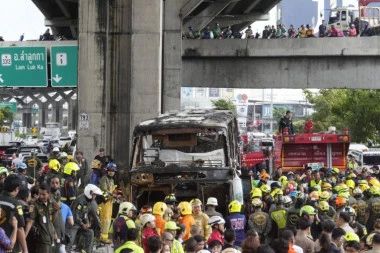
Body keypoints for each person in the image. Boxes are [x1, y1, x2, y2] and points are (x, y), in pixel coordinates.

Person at [67, 184, 102, 253]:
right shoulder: (80, 201)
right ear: (90, 193)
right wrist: (82, 224)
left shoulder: (88, 201)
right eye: (94, 194)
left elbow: (84, 214)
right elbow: (75, 215)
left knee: (90, 233)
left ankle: (87, 251)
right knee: (70, 241)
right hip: (73, 224)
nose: (95, 196)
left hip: (80, 224)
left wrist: (86, 223)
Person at [25, 183, 59, 252]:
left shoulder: (51, 203)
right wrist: (24, 237)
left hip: (50, 238)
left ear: (49, 194)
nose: (41, 196)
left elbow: (51, 220)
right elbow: (30, 222)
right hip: (41, 239)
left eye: (44, 194)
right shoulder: (34, 205)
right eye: (40, 194)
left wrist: (56, 211)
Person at [0, 174, 28, 253]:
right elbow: (20, 229)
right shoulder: (16, 204)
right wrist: (25, 249)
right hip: (11, 246)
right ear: (16, 189)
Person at [99, 162, 117, 243]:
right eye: (110, 170)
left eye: (113, 171)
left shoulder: (112, 180)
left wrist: (116, 193)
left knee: (109, 219)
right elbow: (104, 190)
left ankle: (105, 236)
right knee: (104, 219)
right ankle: (102, 237)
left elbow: (112, 190)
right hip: (104, 202)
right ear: (107, 170)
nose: (111, 172)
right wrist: (113, 194)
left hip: (110, 202)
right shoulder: (104, 178)